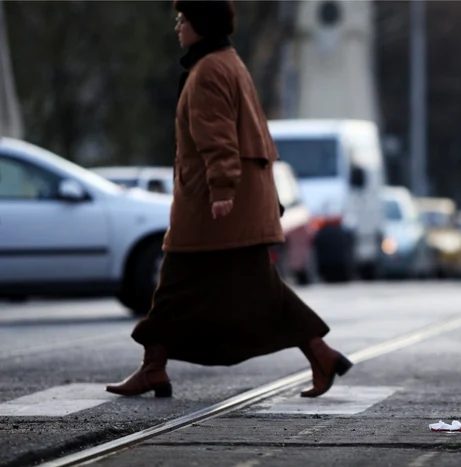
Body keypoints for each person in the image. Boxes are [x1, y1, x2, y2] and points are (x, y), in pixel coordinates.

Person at [106, 0, 352, 399]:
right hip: (235, 205)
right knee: (230, 288)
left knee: (183, 287)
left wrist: (221, 190)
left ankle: (154, 367)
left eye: (184, 19)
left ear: (201, 25)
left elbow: (218, 137)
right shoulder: (229, 62)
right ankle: (154, 367)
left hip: (214, 209)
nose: (178, 26)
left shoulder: (207, 72)